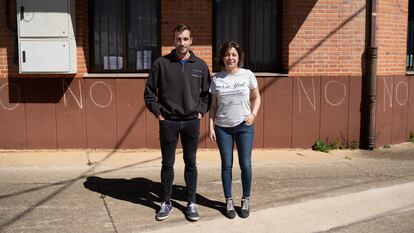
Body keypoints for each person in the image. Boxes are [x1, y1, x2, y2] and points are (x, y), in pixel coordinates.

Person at [144, 24, 211, 221]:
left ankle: (191, 202)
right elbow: (149, 93)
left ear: (191, 41)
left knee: (191, 163)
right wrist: (159, 115)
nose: (182, 43)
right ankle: (166, 202)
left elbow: (206, 95)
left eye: (185, 39)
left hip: (191, 122)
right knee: (168, 163)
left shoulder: (200, 65)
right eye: (178, 39)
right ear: (174, 40)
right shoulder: (161, 64)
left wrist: (200, 112)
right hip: (169, 122)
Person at [208, 41, 261, 219]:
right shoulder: (216, 78)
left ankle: (245, 200)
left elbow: (257, 97)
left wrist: (253, 115)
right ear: (222, 58)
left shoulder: (247, 75)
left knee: (245, 165)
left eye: (234, 54)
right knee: (226, 165)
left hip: (244, 127)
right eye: (227, 55)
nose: (230, 58)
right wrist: (210, 127)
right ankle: (228, 201)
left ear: (239, 57)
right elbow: (213, 106)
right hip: (223, 128)